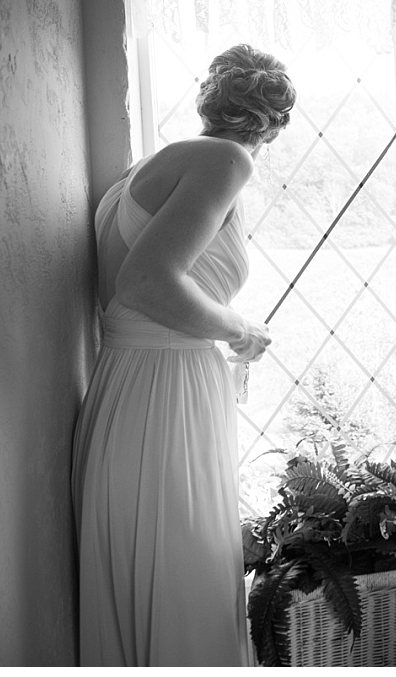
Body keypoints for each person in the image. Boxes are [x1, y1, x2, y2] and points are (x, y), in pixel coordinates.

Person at [72, 44, 296, 666]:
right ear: (273, 125)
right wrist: (239, 327)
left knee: (153, 583)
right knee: (185, 583)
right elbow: (147, 282)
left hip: (123, 388)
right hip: (165, 392)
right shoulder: (226, 161)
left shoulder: (144, 169)